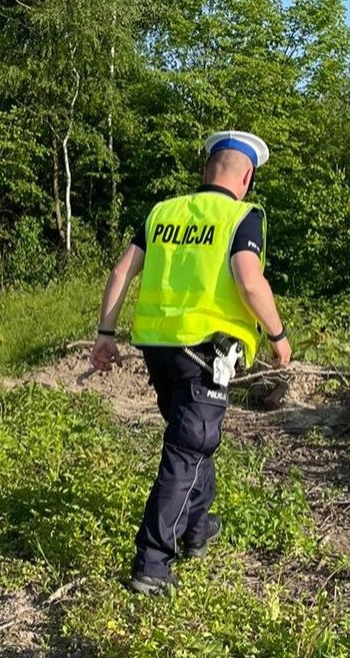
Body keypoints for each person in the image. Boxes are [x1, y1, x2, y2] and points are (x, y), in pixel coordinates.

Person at [89, 131, 292, 594]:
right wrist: (278, 335)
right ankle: (152, 563)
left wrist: (105, 333)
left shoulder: (163, 212)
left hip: (158, 348)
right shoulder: (242, 216)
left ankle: (197, 528)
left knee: (193, 438)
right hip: (205, 352)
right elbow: (249, 280)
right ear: (247, 177)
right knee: (187, 448)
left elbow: (121, 271)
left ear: (206, 169)